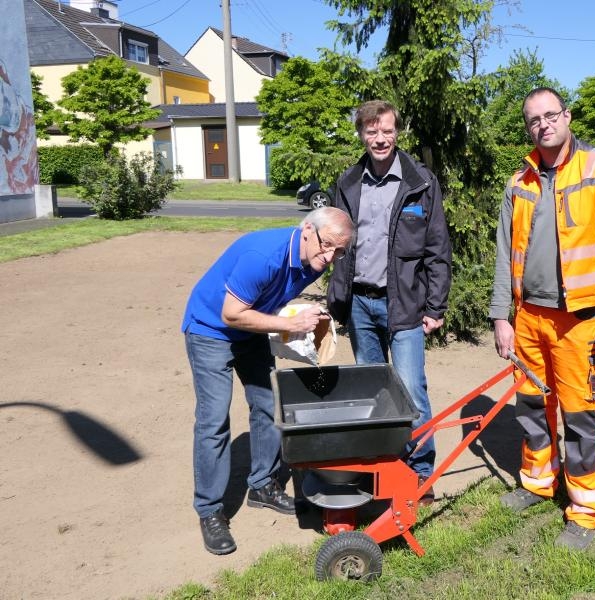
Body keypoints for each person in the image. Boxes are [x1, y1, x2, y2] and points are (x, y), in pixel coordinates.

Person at [489, 87, 595, 550]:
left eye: (550, 115)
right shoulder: (520, 181)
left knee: (579, 416)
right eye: (533, 119)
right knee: (532, 408)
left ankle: (586, 509)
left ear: (567, 116)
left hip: (580, 320)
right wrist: (501, 316)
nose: (543, 125)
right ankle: (538, 484)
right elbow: (503, 252)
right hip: (529, 317)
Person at [182, 207, 354, 555]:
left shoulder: (311, 260)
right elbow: (231, 314)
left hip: (248, 332)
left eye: (340, 251)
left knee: (267, 405)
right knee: (214, 420)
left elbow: (268, 301)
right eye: (327, 245)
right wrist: (289, 325)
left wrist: (301, 318)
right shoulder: (262, 256)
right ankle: (210, 511)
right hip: (209, 330)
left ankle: (262, 485)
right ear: (307, 230)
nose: (331, 256)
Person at [327, 100, 452, 505]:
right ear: (361, 134)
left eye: (387, 131)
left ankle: (420, 475)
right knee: (372, 392)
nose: (379, 139)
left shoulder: (420, 182)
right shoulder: (347, 184)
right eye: (371, 131)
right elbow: (332, 247)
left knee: (412, 390)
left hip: (405, 306)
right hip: (360, 305)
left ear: (398, 133)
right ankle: (381, 468)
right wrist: (335, 304)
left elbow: (437, 249)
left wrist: (435, 307)